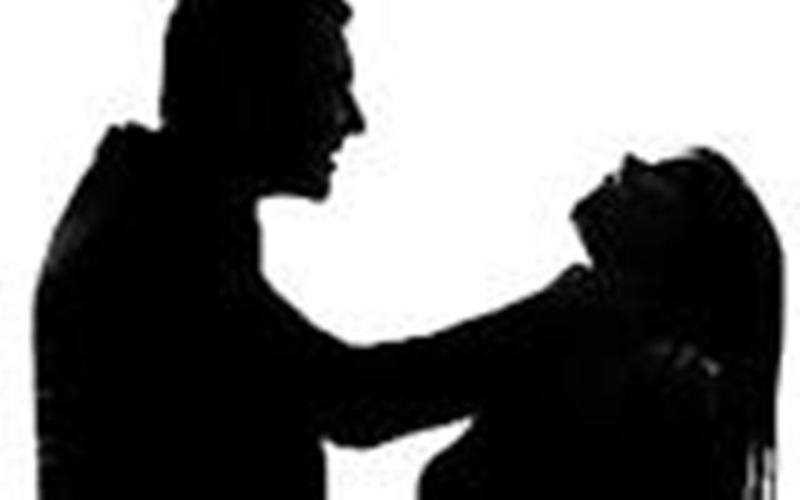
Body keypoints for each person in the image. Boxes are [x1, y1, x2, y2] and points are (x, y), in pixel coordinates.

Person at [34, 1, 620, 498]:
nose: (353, 120)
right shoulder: (153, 232)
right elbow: (355, 402)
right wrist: (563, 315)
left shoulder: (152, 209)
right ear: (250, 90)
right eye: (331, 84)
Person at [418, 149, 783, 500]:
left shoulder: (589, 320)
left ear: (695, 250)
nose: (631, 161)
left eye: (671, 177)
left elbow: (392, 391)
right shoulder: (701, 406)